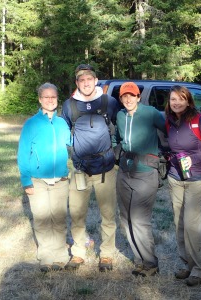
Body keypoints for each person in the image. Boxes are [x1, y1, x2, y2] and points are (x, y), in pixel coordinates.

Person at [61, 64, 119, 272]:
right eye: (81, 80)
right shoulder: (69, 106)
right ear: (77, 83)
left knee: (108, 214)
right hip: (80, 170)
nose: (86, 83)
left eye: (89, 79)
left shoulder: (108, 102)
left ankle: (107, 255)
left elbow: (118, 126)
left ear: (96, 81)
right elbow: (65, 130)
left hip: (105, 169)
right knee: (77, 214)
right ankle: (78, 253)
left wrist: (117, 152)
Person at [17, 82, 73, 273]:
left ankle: (60, 255)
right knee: (41, 218)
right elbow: (23, 154)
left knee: (58, 218)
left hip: (61, 180)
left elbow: (72, 143)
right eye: (46, 97)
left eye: (53, 97)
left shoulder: (62, 123)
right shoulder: (31, 124)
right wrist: (26, 180)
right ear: (40, 100)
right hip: (38, 181)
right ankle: (46, 256)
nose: (50, 100)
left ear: (57, 99)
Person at [114, 82, 166, 277]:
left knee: (139, 219)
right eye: (124, 96)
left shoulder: (150, 113)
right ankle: (140, 261)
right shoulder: (120, 115)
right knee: (126, 219)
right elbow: (117, 138)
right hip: (125, 172)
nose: (128, 99)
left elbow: (168, 131)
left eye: (132, 96)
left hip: (146, 172)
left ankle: (151, 263)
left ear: (138, 97)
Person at [164, 85, 201, 286]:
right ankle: (187, 265)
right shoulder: (169, 121)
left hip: (197, 179)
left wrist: (194, 158)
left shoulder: (200, 121)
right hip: (175, 177)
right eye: (173, 99)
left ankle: (199, 271)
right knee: (180, 224)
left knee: (192, 225)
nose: (176, 102)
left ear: (188, 101)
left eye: (180, 99)